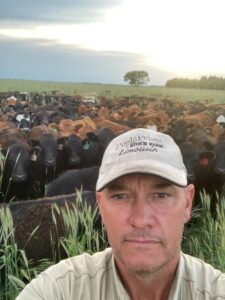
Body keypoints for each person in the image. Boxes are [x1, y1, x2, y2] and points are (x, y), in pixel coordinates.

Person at [16, 128, 225, 300]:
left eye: (161, 195)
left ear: (187, 204)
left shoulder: (216, 291)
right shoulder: (61, 288)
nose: (141, 220)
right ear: (100, 206)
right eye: (120, 196)